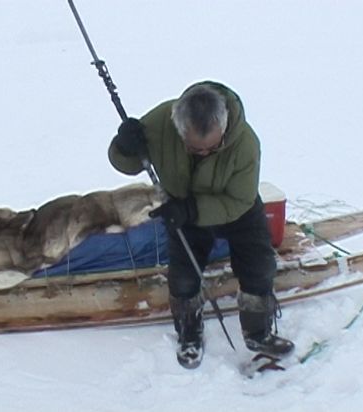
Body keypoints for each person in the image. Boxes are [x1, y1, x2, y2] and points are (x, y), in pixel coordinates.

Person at [108, 81, 293, 369]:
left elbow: (239, 201)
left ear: (224, 127)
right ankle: (189, 333)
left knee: (258, 267)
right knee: (183, 277)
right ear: (179, 129)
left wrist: (191, 210)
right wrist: (123, 146)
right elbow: (128, 163)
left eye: (212, 148)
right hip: (182, 209)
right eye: (194, 148)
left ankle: (259, 332)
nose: (203, 154)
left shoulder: (245, 144)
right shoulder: (160, 122)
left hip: (237, 211)